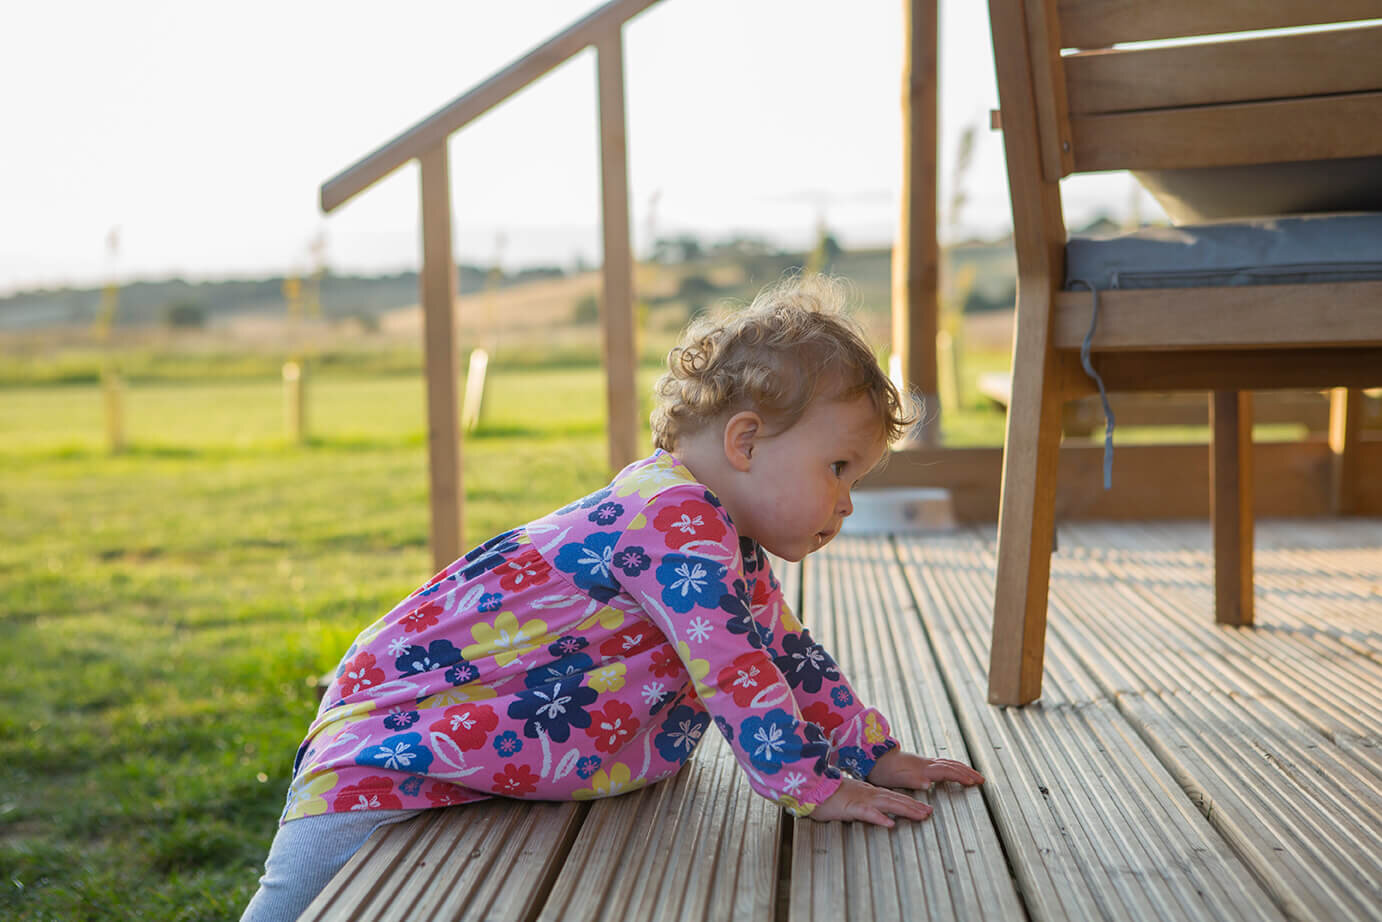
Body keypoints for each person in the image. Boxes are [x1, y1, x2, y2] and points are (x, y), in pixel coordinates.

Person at [242, 274, 984, 921]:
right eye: (839, 468)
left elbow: (785, 653)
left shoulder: (718, 534)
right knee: (293, 905)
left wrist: (873, 753)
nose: (846, 502)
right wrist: (814, 786)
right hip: (389, 738)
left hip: (452, 741)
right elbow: (734, 669)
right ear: (746, 442)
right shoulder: (673, 518)